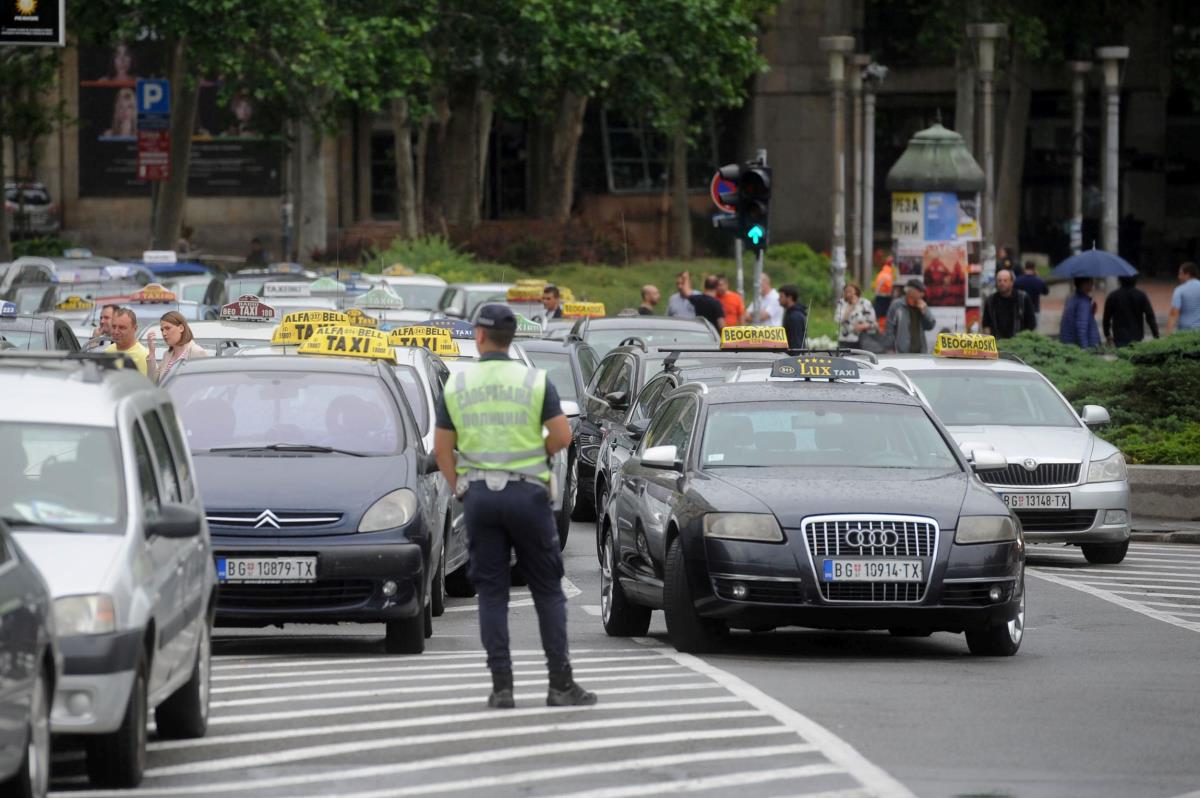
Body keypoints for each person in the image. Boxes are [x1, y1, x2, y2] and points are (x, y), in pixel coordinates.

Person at [433, 304, 594, 709]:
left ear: (480, 336)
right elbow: (561, 435)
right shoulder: (535, 381)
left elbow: (441, 449)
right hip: (527, 495)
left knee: (491, 593)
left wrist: (461, 487)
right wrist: (530, 454)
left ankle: (502, 687)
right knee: (546, 590)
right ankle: (560, 683)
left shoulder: (458, 384)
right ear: (511, 339)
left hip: (481, 498)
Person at [145, 311, 208, 385]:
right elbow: (152, 382)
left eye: (168, 328)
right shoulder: (167, 355)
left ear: (181, 328)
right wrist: (152, 353)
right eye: (162, 330)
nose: (164, 333)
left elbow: (202, 384)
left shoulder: (196, 352)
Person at [1103, 275, 1159, 347]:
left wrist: (1107, 334)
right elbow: (1150, 316)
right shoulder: (1141, 295)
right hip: (1137, 336)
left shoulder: (1113, 296)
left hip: (1119, 336)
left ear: (1120, 280)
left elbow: (1106, 318)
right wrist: (1156, 334)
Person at [981, 268, 1037, 339]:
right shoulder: (990, 300)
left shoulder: (1023, 298)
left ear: (1011, 282)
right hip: (997, 343)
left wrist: (1025, 339)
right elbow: (986, 324)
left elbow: (1031, 323)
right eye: (999, 281)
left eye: (1005, 280)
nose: (1002, 283)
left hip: (1018, 343)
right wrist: (988, 340)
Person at [887, 279, 936, 353]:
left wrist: (924, 312)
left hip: (920, 353)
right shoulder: (897, 306)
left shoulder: (922, 305)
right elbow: (889, 329)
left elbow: (930, 326)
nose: (922, 294)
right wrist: (890, 349)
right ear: (910, 292)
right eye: (920, 291)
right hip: (901, 354)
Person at [104, 307, 149, 376]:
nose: (116, 332)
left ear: (134, 329)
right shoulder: (107, 352)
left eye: (122, 328)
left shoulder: (144, 357)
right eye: (113, 327)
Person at [1059, 278, 1102, 348]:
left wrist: (1091, 312)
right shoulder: (1083, 302)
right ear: (1084, 284)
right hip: (1084, 346)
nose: (1093, 284)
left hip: (1070, 344)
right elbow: (1081, 328)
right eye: (1091, 281)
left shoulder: (1071, 299)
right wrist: (1085, 349)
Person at [835, 283, 877, 348]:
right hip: (845, 339)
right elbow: (839, 320)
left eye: (850, 291)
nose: (848, 294)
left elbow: (873, 323)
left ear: (856, 292)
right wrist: (851, 306)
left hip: (863, 339)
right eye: (846, 292)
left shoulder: (865, 303)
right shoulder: (842, 303)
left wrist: (863, 326)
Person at [1166, 261, 1200, 334]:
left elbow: (1174, 313)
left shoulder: (1180, 290)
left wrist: (1167, 335)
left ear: (1187, 274)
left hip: (1185, 332)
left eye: (1180, 274)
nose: (1179, 277)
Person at [778, 284, 808, 349]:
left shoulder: (795, 317)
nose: (778, 299)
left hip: (793, 357)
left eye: (781, 297)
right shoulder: (790, 313)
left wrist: (793, 357)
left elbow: (796, 342)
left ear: (789, 298)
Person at [872, 256, 895, 320]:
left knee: (879, 313)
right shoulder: (888, 274)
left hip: (880, 296)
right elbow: (886, 285)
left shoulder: (882, 273)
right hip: (884, 297)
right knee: (884, 314)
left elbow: (878, 284)